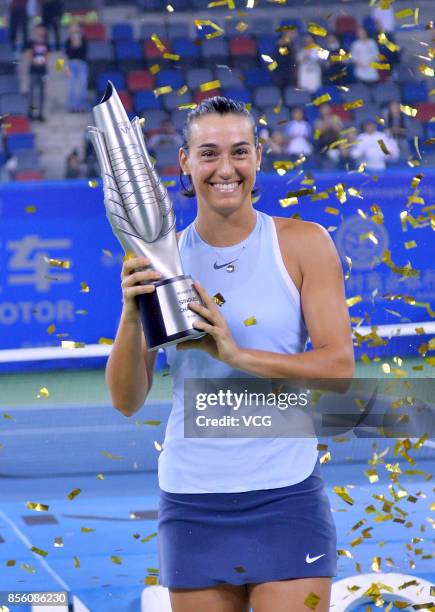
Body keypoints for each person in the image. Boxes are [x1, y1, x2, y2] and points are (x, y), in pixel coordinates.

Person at [106, 97, 354, 611]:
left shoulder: (304, 244)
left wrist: (237, 355)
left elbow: (338, 368)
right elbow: (127, 400)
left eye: (240, 152)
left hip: (286, 495)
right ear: (185, 162)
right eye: (209, 153)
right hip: (192, 499)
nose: (225, 169)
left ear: (259, 157)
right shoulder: (161, 261)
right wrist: (131, 315)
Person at [25, 24, 49, 121]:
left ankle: (40, 114)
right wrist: (34, 61)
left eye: (43, 30)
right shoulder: (31, 42)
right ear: (36, 31)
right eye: (40, 30)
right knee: (31, 93)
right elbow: (28, 54)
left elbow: (47, 54)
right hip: (33, 71)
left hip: (43, 71)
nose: (41, 32)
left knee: (41, 94)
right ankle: (30, 113)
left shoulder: (46, 43)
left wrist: (43, 61)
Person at [65, 22, 88, 113]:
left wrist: (78, 42)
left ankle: (82, 106)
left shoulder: (84, 40)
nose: (74, 29)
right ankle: (72, 106)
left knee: (82, 85)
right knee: (72, 86)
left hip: (82, 64)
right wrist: (73, 43)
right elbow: (68, 54)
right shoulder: (68, 41)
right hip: (71, 64)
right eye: (72, 27)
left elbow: (83, 54)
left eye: (75, 27)